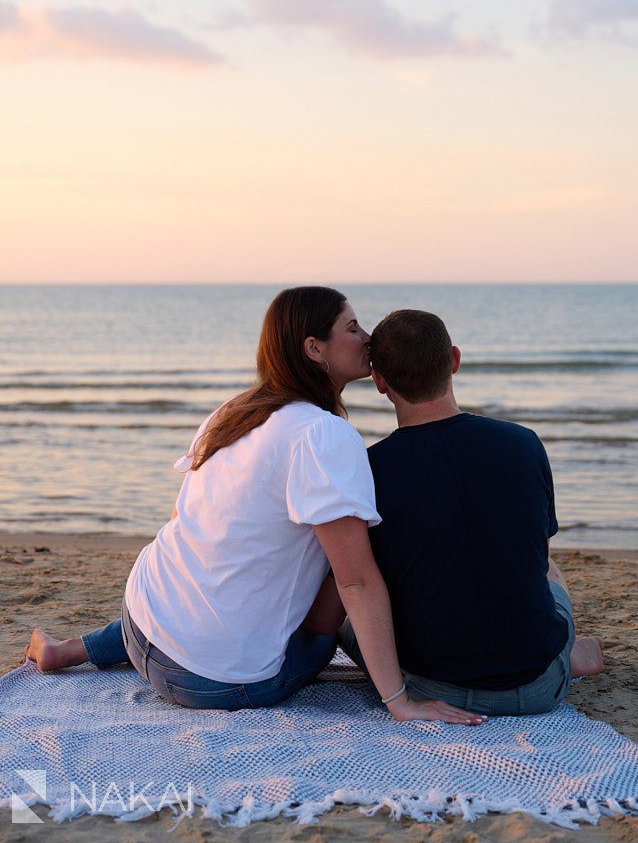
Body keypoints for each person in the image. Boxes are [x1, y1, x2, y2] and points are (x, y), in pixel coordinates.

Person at [25, 288, 482, 726]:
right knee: (349, 564)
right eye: (353, 327)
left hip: (141, 619)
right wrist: (399, 700)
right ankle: (81, 649)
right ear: (314, 348)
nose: (368, 338)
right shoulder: (323, 434)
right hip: (212, 681)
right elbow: (356, 581)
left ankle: (69, 650)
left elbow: (182, 525)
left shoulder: (234, 411)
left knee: (210, 567)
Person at [341, 309, 604, 717]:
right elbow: (532, 552)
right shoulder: (523, 444)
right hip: (538, 688)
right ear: (455, 361)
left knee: (350, 604)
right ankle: (566, 659)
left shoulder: (369, 469)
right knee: (549, 569)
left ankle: (564, 659)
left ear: (379, 382)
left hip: (427, 687)